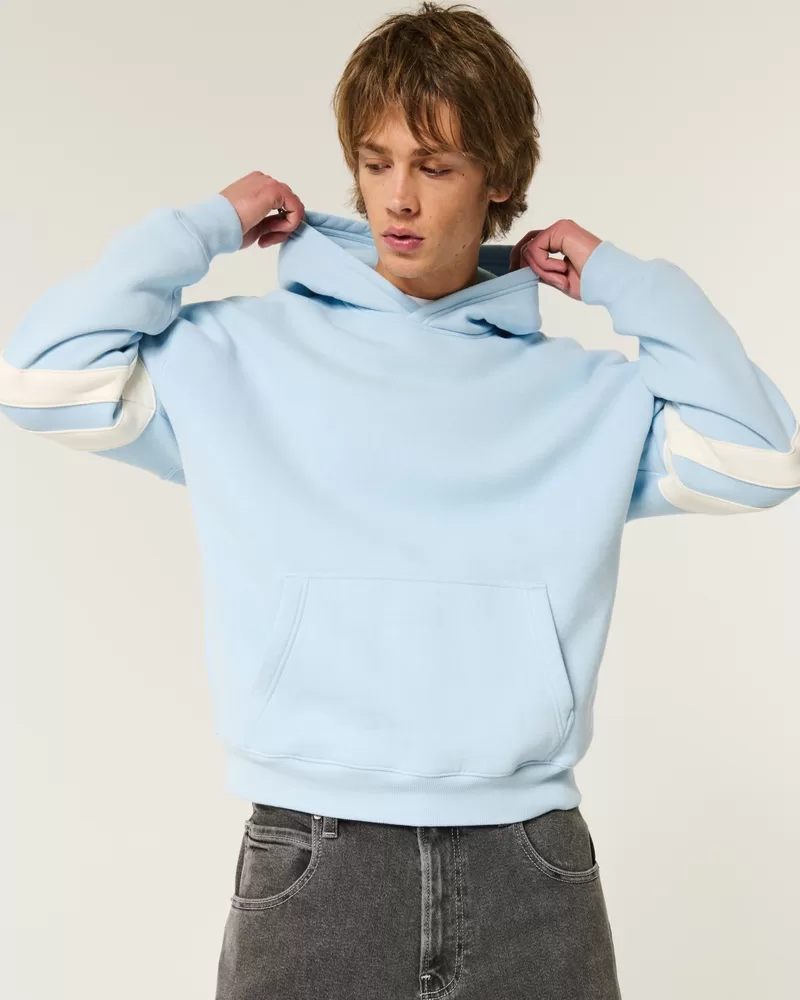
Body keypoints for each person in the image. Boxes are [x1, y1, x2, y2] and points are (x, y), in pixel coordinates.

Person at [2, 3, 798, 997]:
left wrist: (624, 281)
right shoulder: (239, 354)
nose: (398, 198)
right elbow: (42, 377)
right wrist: (202, 227)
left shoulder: (579, 394)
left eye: (435, 165)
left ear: (497, 177)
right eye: (376, 163)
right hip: (313, 854)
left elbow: (758, 456)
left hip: (528, 857)